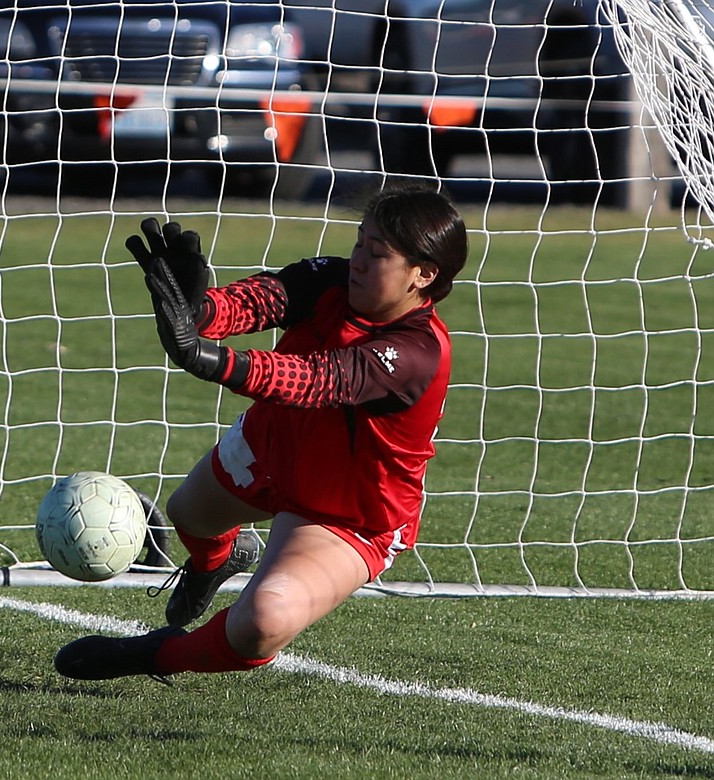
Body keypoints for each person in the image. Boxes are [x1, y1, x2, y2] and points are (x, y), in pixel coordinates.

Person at [54, 186, 468, 681]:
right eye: (360, 242)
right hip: (271, 447)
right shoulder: (332, 279)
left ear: (425, 274)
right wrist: (200, 310)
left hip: (349, 512)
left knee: (262, 622)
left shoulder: (417, 352)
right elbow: (261, 301)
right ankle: (218, 560)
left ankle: (155, 654)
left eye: (377, 254)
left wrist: (211, 360)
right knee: (188, 514)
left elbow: (318, 379)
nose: (358, 259)